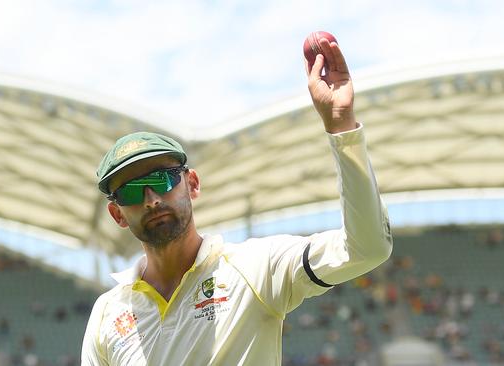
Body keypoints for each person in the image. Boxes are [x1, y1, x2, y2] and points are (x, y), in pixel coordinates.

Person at [81, 36, 392, 365]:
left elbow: (366, 249)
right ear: (117, 214)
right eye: (131, 191)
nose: (151, 199)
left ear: (193, 183)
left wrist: (341, 124)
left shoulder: (256, 267)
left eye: (163, 179)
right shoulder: (108, 312)